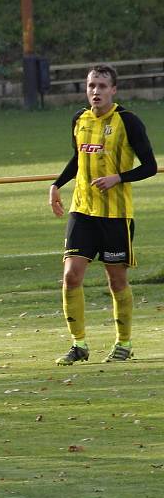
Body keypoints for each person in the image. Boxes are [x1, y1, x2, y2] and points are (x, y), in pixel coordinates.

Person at [49, 64, 157, 365]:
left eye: (101, 86)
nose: (95, 91)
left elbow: (150, 165)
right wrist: (57, 184)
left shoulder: (128, 122)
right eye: (91, 85)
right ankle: (78, 344)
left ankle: (124, 343)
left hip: (116, 215)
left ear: (114, 90)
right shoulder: (79, 119)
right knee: (71, 276)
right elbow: (78, 158)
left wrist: (118, 177)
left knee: (116, 281)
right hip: (82, 211)